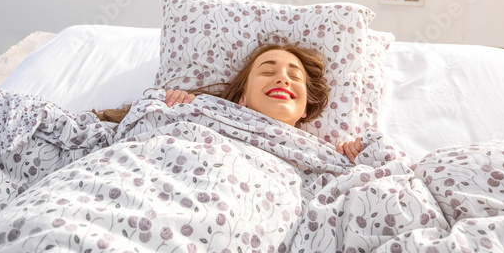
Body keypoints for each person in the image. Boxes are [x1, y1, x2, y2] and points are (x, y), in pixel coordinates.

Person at [94, 41, 364, 162]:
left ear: (305, 108)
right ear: (242, 98)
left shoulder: (319, 157)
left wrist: (358, 156)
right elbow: (128, 136)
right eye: (268, 72)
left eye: (294, 77)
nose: (283, 79)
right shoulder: (200, 113)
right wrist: (164, 108)